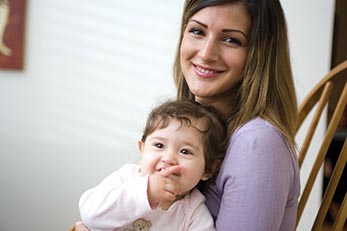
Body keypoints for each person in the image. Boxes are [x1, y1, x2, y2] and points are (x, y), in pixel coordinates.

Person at [75, 0, 300, 230]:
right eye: (197, 31)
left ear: (260, 54)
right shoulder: (186, 131)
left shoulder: (257, 144)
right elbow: (93, 211)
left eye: (231, 39)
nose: (206, 53)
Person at [77, 99, 227, 231]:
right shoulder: (127, 178)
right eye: (159, 145)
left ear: (208, 169)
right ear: (142, 149)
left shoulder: (194, 211)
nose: (168, 158)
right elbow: (90, 214)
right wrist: (145, 192)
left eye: (185, 151)